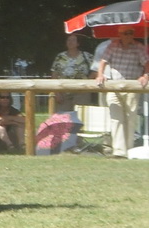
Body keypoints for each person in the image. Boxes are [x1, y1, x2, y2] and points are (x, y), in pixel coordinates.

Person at [93, 29, 148, 157]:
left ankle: (128, 150)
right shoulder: (112, 46)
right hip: (114, 86)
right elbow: (103, 61)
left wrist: (145, 76)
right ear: (120, 35)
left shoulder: (139, 47)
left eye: (131, 33)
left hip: (132, 86)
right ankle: (118, 151)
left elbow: (147, 63)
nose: (129, 36)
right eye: (126, 33)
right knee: (116, 119)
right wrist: (100, 75)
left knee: (130, 118)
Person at [49, 34, 95, 115]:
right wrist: (57, 93)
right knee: (63, 118)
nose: (70, 42)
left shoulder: (86, 56)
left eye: (73, 40)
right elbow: (54, 74)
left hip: (82, 91)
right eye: (68, 40)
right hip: (63, 90)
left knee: (81, 116)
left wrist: (88, 83)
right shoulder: (60, 56)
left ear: (78, 43)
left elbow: (96, 70)